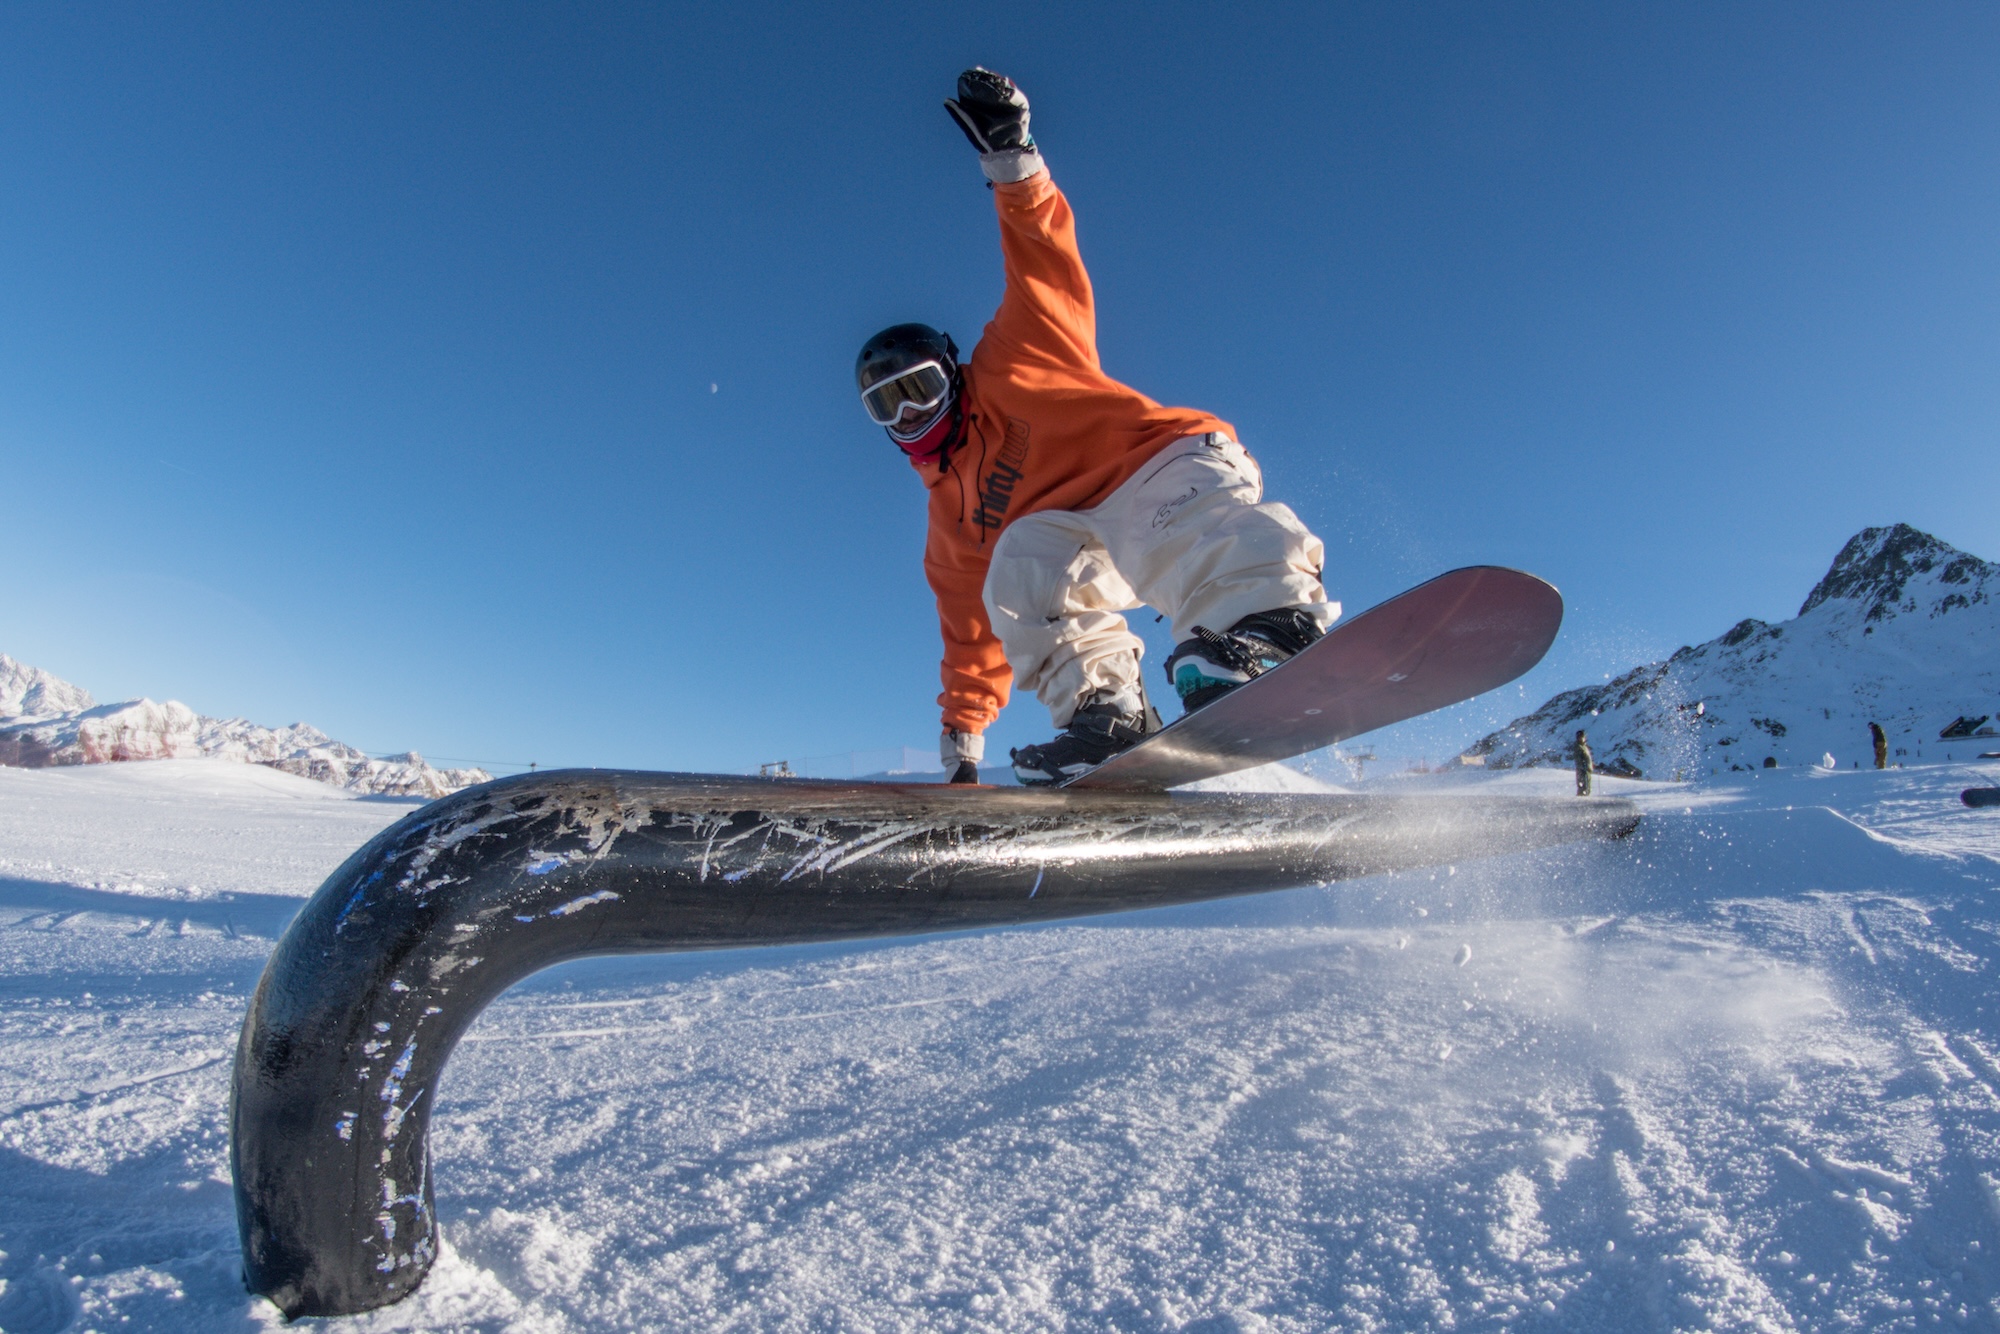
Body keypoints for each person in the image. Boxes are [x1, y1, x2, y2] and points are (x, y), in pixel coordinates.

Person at [855, 69, 1338, 786]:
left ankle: (1266, 622)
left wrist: (1012, 160)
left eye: (920, 389)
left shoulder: (1020, 352)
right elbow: (969, 639)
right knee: (1016, 564)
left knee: (1157, 520)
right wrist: (963, 741)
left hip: (1163, 467)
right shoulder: (950, 522)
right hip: (1090, 544)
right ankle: (1105, 707)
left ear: (952, 373)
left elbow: (1041, 259)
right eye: (887, 406)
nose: (911, 415)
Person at [1573, 729, 1593, 797]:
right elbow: (1578, 759)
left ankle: (1584, 798)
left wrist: (1591, 765)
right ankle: (1582, 801)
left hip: (1586, 770)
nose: (1581, 738)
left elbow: (1586, 758)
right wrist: (1583, 767)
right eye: (1579, 737)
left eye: (1582, 737)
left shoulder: (1584, 747)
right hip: (1583, 770)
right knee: (1583, 788)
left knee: (1587, 787)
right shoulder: (1578, 747)